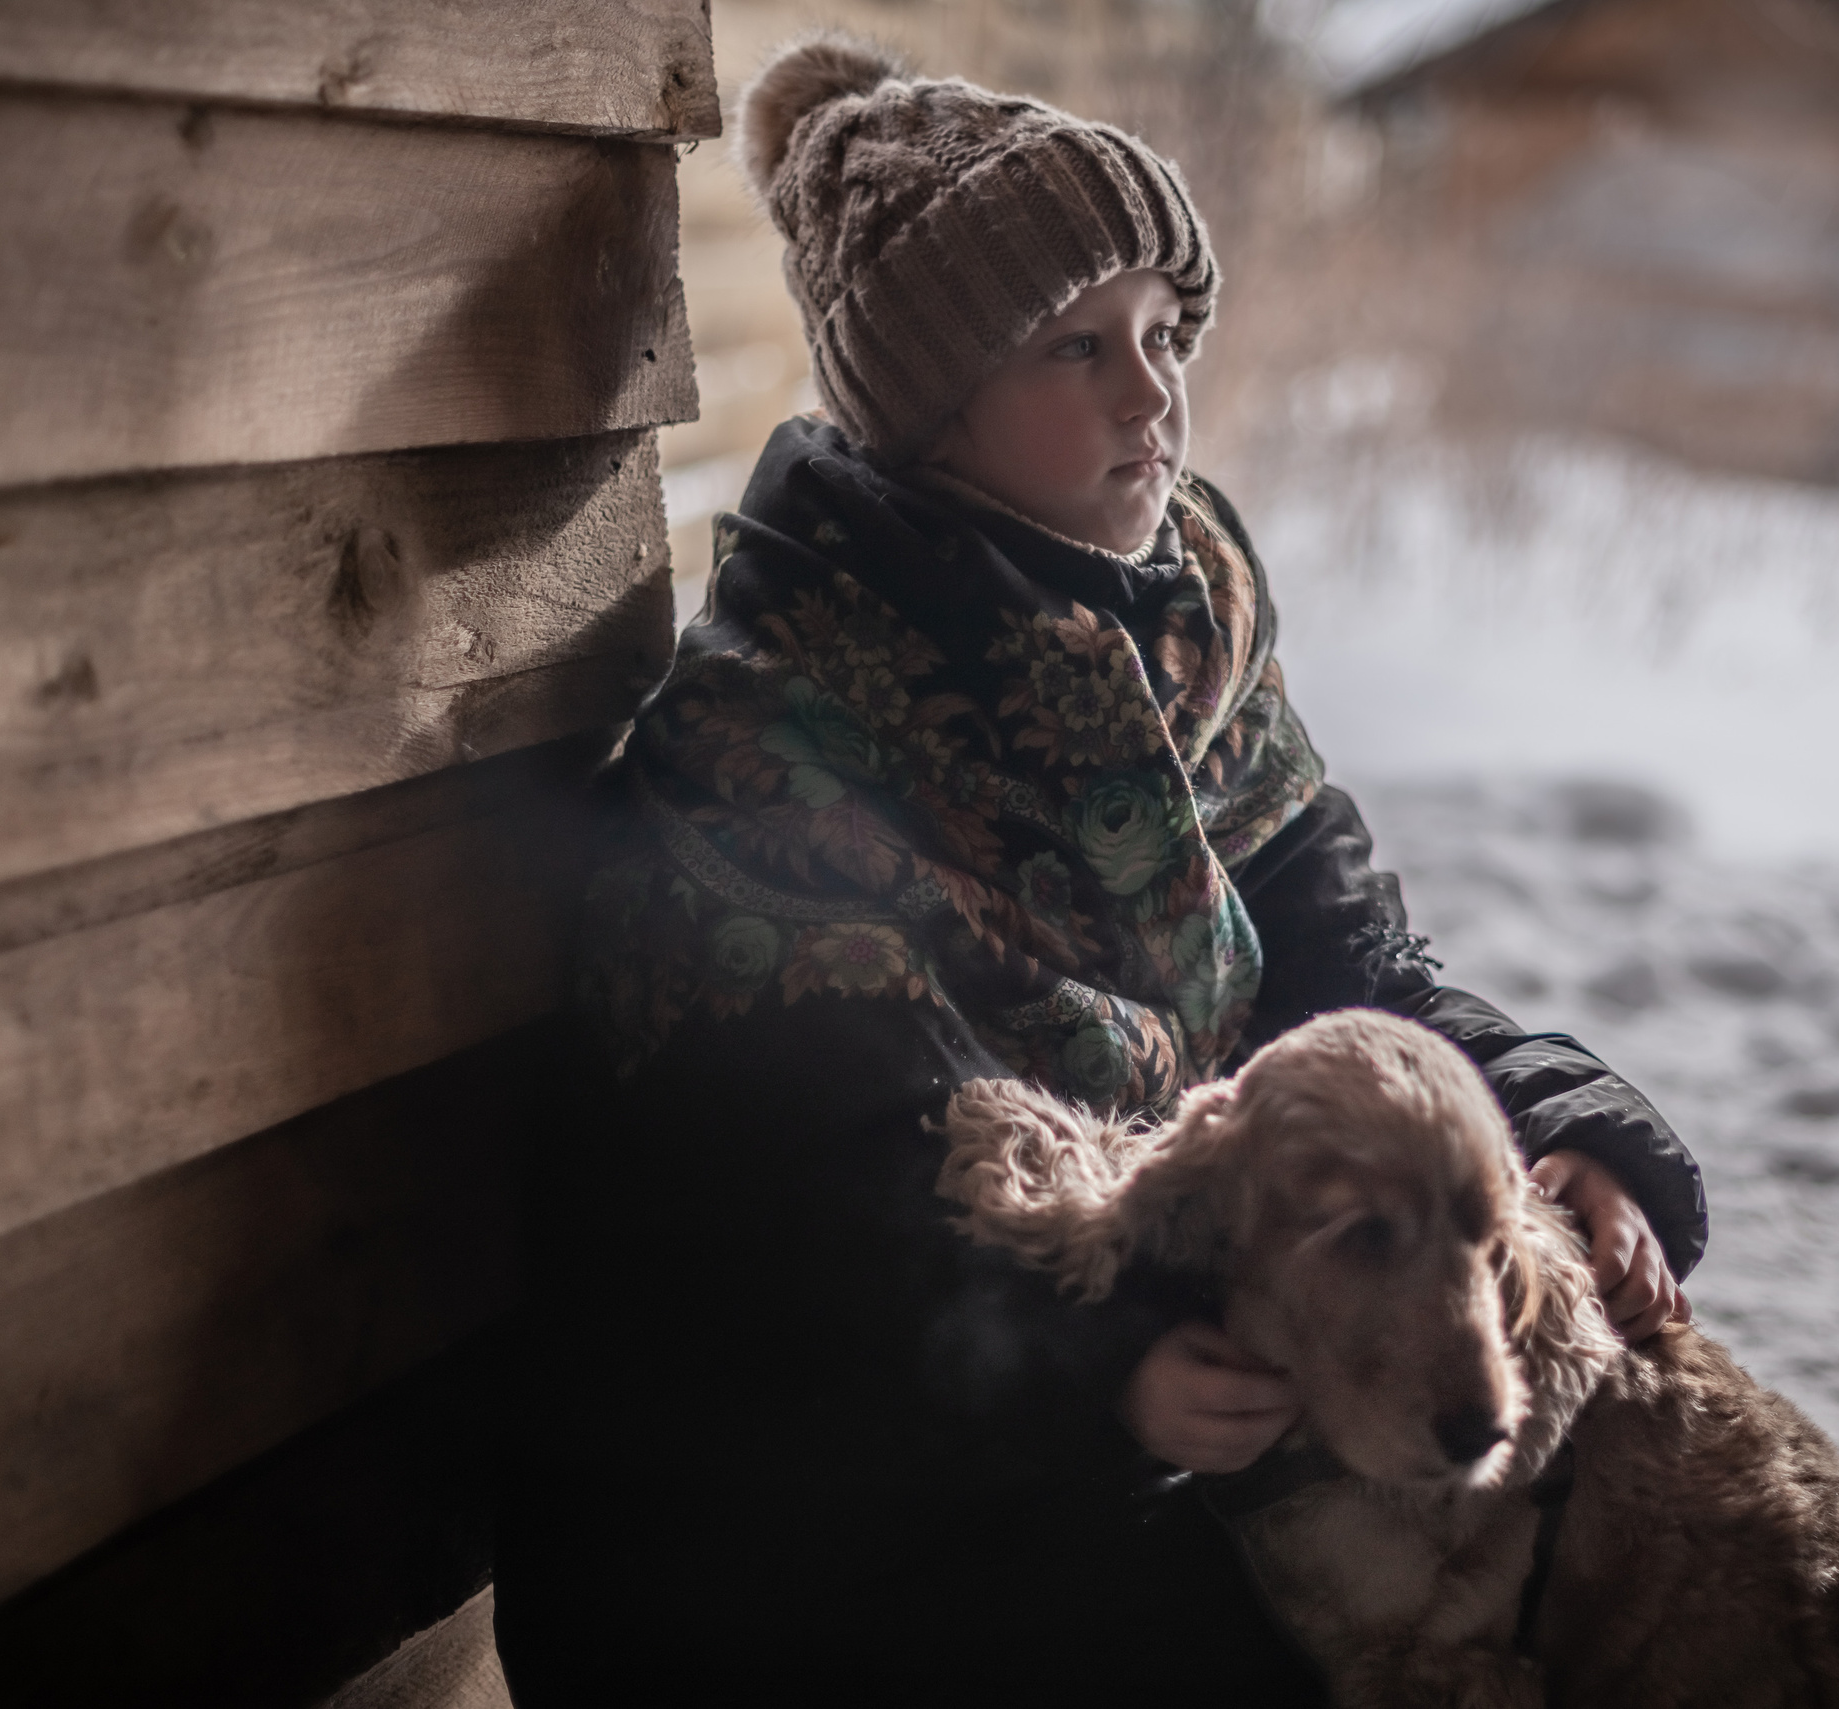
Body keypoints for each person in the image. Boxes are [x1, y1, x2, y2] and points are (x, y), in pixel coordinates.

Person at [493, 35, 1704, 1706]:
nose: (1153, 395)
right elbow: (818, 1204)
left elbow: (1353, 983)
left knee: (1611, 1512)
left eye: (1161, 333)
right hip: (777, 1527)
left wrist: (1547, 1135)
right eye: (1078, 345)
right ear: (929, 412)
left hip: (1098, 1420)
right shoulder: (774, 741)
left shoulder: (1180, 635)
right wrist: (1104, 1369)